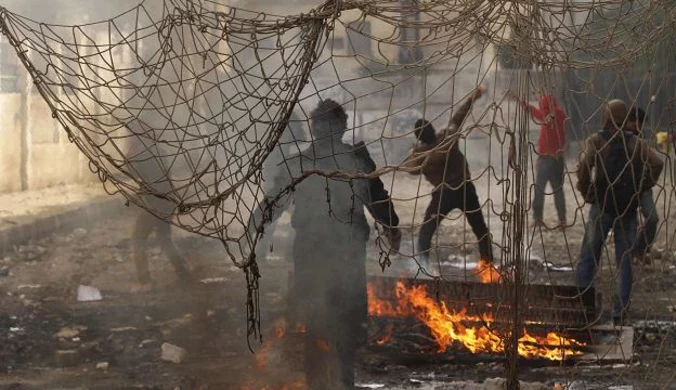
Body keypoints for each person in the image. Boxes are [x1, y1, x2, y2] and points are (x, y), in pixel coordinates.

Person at [248, 99, 400, 390]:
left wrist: (253, 230)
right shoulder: (353, 160)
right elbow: (379, 200)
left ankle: (323, 382)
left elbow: (270, 207)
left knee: (319, 323)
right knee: (342, 322)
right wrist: (392, 227)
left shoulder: (302, 163)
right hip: (342, 252)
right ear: (342, 127)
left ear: (316, 128)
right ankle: (341, 381)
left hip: (316, 252)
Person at [575, 99, 663, 325]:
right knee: (624, 262)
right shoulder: (637, 143)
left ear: (606, 117)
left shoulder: (595, 141)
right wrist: (642, 186)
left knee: (589, 257)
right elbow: (657, 163)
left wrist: (587, 193)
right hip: (627, 209)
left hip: (602, 207)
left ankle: (581, 307)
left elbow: (584, 166)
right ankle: (620, 310)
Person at [400, 87, 494, 275]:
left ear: (419, 138)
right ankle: (488, 266)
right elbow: (458, 117)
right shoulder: (447, 137)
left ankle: (423, 267)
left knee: (426, 232)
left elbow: (409, 168)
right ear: (433, 130)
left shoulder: (422, 155)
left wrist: (416, 151)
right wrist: (471, 98)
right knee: (480, 229)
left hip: (444, 194)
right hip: (466, 189)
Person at [125, 120, 193, 288]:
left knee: (138, 238)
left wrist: (130, 152)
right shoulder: (160, 150)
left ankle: (144, 280)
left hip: (155, 202)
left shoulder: (140, 155)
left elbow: (130, 169)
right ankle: (183, 272)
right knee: (164, 238)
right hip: (168, 199)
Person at [511, 92, 568, 229]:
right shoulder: (561, 114)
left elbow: (534, 112)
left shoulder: (549, 115)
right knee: (558, 190)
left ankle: (537, 219)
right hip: (558, 158)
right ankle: (562, 220)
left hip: (546, 159)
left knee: (539, 190)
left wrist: (519, 100)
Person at [626, 107, 659, 264]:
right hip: (625, 188)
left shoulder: (641, 138)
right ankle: (630, 253)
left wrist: (648, 182)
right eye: (637, 123)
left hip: (642, 186)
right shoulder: (620, 137)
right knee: (630, 222)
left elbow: (654, 163)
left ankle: (640, 249)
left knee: (652, 218)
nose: (639, 126)